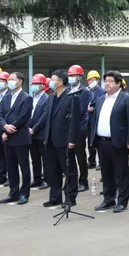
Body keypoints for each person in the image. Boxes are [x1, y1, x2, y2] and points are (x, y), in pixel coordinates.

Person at [90, 71, 129, 213]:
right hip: (102, 142)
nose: (107, 84)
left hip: (118, 142)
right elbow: (95, 120)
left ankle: (122, 201)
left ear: (118, 83)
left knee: (121, 173)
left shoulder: (126, 99)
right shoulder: (100, 100)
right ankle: (108, 199)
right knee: (106, 173)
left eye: (111, 81)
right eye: (106, 81)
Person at [43, 70, 81, 207]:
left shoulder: (72, 97)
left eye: (53, 79)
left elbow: (75, 121)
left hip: (64, 140)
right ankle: (55, 197)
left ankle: (70, 198)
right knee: (52, 170)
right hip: (50, 139)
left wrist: (72, 140)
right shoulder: (51, 98)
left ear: (60, 82)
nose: (50, 81)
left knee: (69, 170)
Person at [0, 72, 33, 205]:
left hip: (20, 137)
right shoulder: (6, 97)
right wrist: (5, 126)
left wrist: (9, 130)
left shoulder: (26, 98)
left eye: (12, 79)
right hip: (8, 138)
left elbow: (22, 118)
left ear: (20, 81)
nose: (9, 81)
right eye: (9, 79)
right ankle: (13, 192)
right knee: (11, 167)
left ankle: (24, 193)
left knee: (24, 167)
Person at [67, 64, 91, 192]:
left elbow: (81, 110)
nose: (71, 78)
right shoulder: (67, 90)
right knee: (68, 156)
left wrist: (67, 115)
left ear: (80, 77)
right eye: (69, 75)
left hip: (80, 127)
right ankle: (70, 181)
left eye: (73, 75)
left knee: (80, 155)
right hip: (67, 127)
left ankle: (83, 181)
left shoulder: (85, 92)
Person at [29, 74, 49, 189]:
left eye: (36, 84)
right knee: (35, 159)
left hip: (41, 133)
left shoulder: (46, 98)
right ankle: (37, 179)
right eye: (33, 84)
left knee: (45, 158)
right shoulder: (32, 98)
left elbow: (44, 116)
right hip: (31, 133)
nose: (34, 86)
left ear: (43, 85)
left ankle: (46, 179)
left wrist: (34, 128)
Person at [86, 70, 106, 169]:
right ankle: (92, 161)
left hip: (97, 120)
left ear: (97, 80)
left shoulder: (102, 92)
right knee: (90, 142)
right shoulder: (87, 91)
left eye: (93, 79)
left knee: (99, 142)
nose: (91, 81)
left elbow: (103, 106)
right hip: (88, 120)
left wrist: (93, 109)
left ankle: (102, 162)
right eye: (89, 80)